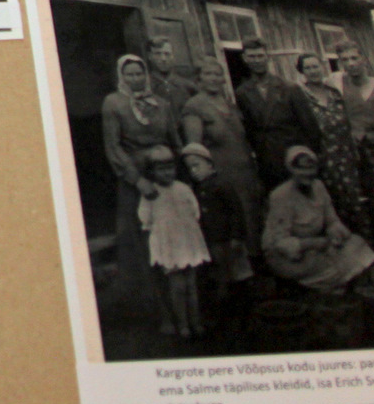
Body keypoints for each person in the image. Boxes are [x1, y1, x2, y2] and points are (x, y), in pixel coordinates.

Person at [262, 147, 374, 304]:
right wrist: (312, 243)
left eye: (310, 170)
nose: (307, 175)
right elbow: (279, 242)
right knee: (332, 267)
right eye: (301, 170)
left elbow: (332, 220)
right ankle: (342, 292)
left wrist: (337, 233)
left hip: (316, 246)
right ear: (291, 170)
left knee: (356, 243)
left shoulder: (318, 186)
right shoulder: (280, 196)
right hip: (285, 256)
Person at [101, 55, 182, 313]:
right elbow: (113, 147)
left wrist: (176, 171)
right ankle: (154, 304)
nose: (135, 79)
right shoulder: (113, 103)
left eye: (139, 73)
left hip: (164, 175)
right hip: (135, 178)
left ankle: (180, 297)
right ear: (121, 76)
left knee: (171, 231)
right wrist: (137, 180)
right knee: (142, 239)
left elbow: (175, 141)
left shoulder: (161, 104)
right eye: (130, 74)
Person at [179, 57, 263, 253]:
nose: (213, 78)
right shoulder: (194, 107)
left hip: (245, 175)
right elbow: (194, 150)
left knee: (253, 221)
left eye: (218, 74)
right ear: (199, 78)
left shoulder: (229, 104)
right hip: (222, 178)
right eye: (208, 74)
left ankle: (257, 262)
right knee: (233, 226)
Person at [290, 53, 374, 240]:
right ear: (302, 72)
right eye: (308, 68)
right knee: (334, 205)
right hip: (324, 160)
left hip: (348, 157)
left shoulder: (334, 93)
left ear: (322, 67)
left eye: (316, 66)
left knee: (358, 202)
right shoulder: (301, 97)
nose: (313, 71)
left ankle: (365, 245)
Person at [137, 148, 207, 338]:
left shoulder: (183, 188)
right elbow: (146, 220)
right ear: (152, 172)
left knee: (191, 285)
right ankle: (183, 324)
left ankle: (196, 322)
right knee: (177, 287)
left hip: (187, 241)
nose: (167, 173)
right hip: (169, 245)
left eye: (170, 168)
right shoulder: (150, 193)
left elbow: (195, 212)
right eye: (161, 169)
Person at [182, 145, 251, 325]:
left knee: (236, 272)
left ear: (210, 164)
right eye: (190, 168)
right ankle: (224, 311)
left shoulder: (222, 185)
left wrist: (237, 237)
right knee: (219, 273)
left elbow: (236, 211)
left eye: (196, 165)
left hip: (228, 239)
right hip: (212, 240)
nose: (193, 171)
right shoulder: (196, 189)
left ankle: (243, 311)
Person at [233, 38, 310, 189]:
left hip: (293, 155)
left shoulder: (289, 88)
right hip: (266, 159)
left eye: (260, 56)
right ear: (244, 59)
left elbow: (309, 126)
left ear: (267, 57)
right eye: (252, 57)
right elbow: (248, 129)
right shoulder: (242, 93)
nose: (257, 60)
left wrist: (306, 157)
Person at [334, 40, 374, 147]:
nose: (350, 64)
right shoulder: (339, 83)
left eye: (354, 58)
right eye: (345, 60)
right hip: (355, 146)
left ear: (363, 59)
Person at [145, 37, 198, 121]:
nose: (163, 59)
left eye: (167, 54)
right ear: (150, 56)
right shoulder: (145, 85)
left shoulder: (187, 85)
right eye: (157, 54)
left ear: (173, 56)